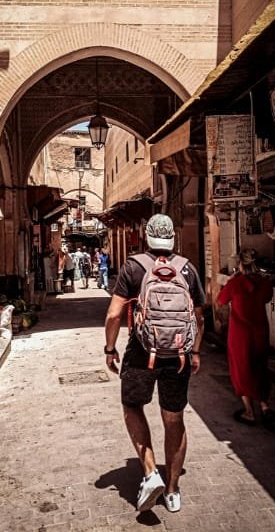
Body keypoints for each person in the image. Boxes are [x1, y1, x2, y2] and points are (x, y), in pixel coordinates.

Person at [104, 214, 205, 513]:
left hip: (141, 352)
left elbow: (113, 315)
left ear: (147, 236)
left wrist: (110, 349)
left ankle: (150, 473)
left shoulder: (134, 266)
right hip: (180, 355)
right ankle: (173, 491)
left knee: (132, 406)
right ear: (172, 237)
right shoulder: (187, 268)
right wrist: (195, 352)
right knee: (174, 418)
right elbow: (199, 317)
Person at [217, 248, 275, 426]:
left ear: (240, 264)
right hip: (260, 332)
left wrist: (229, 281)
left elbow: (220, 300)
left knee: (241, 370)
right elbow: (267, 298)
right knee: (260, 368)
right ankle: (265, 406)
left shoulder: (236, 283)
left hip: (240, 335)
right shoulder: (265, 283)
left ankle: (249, 412)